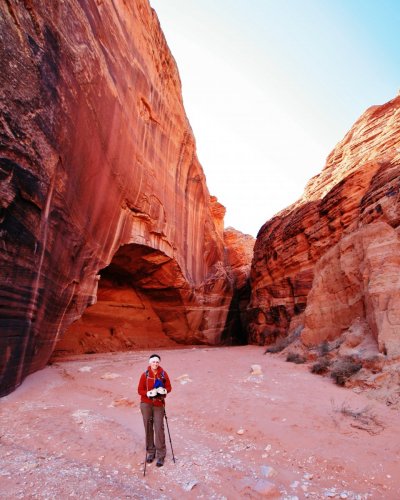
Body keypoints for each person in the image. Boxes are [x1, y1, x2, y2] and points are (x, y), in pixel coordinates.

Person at [137, 353, 172, 467]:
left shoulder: (163, 374)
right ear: (149, 362)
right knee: (148, 427)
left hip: (158, 404)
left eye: (157, 362)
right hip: (146, 404)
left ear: (159, 363)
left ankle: (161, 454)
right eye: (153, 361)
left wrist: (164, 391)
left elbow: (169, 387)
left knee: (159, 428)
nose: (155, 363)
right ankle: (151, 452)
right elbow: (139, 390)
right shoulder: (145, 375)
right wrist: (147, 393)